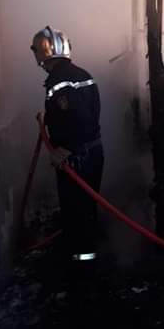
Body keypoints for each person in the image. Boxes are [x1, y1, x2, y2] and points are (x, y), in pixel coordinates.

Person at [31, 26, 104, 267]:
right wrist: (49, 119)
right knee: (86, 210)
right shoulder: (81, 74)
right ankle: (84, 258)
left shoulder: (59, 80)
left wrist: (67, 149)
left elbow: (78, 118)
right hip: (92, 152)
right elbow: (86, 114)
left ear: (43, 52)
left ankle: (80, 266)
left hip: (77, 158)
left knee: (76, 211)